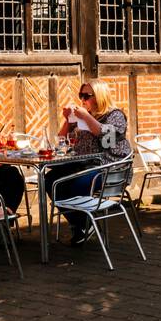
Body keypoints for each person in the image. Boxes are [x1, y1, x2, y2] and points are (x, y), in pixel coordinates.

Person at [48, 80, 131, 246]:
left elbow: (109, 140)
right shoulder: (84, 115)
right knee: (50, 180)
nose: (82, 99)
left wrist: (85, 116)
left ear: (100, 96)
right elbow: (61, 141)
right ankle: (83, 224)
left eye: (87, 95)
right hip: (85, 165)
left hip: (109, 167)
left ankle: (83, 225)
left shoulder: (115, 115)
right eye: (81, 95)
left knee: (75, 185)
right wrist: (67, 120)